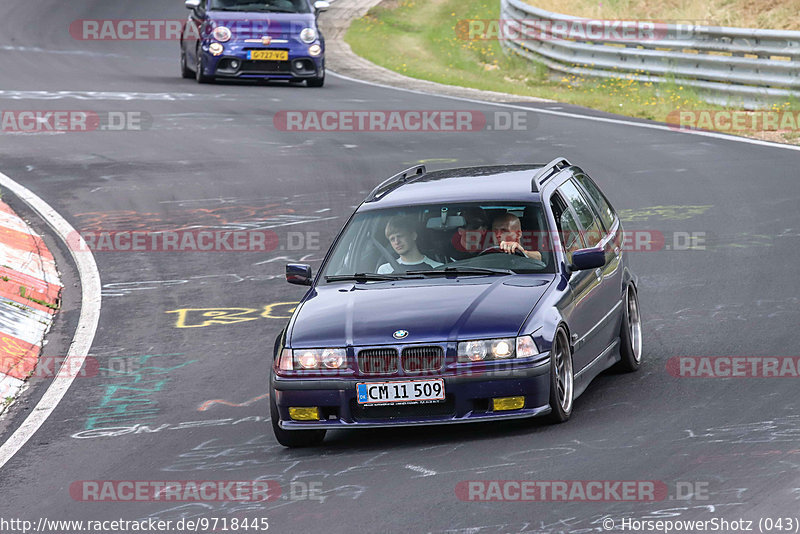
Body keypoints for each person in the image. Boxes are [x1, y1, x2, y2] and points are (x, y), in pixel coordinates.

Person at [377, 216, 443, 273]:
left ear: (413, 236)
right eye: (392, 239)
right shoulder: (385, 270)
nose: (397, 242)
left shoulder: (438, 268)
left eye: (400, 236)